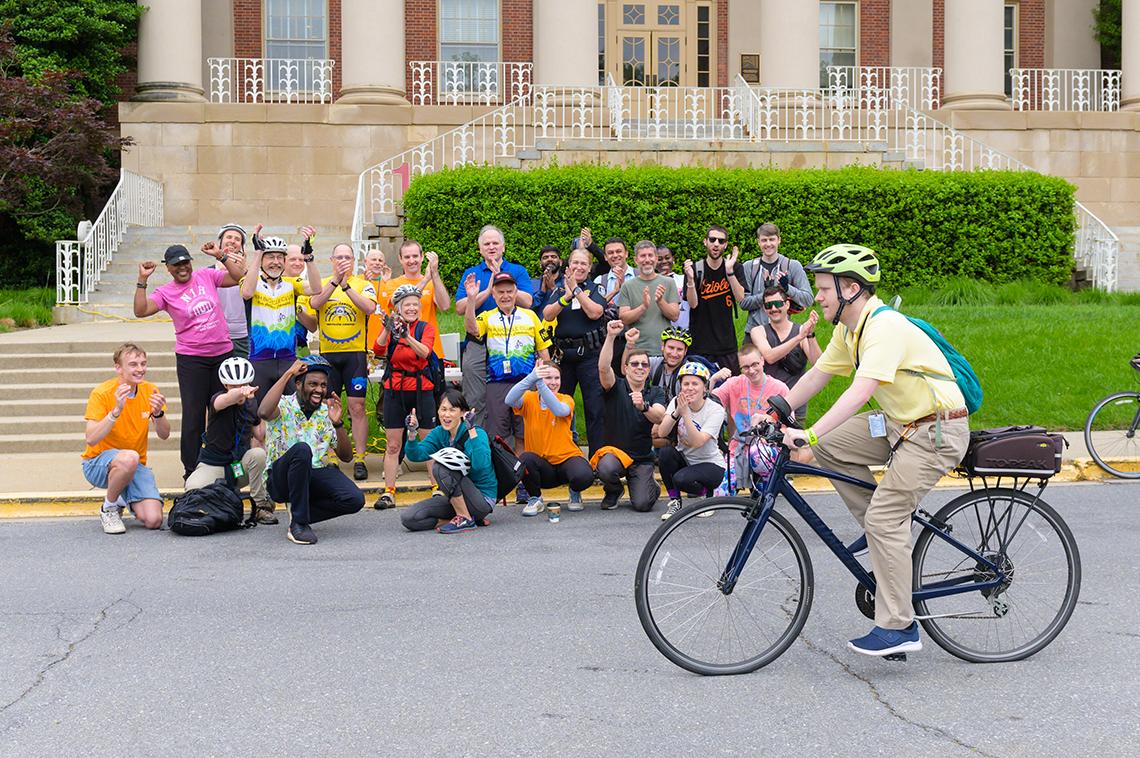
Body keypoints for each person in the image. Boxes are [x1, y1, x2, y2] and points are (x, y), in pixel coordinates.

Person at [779, 244, 970, 657]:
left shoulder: (884, 327)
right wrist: (776, 408)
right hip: (899, 424)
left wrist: (808, 434)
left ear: (850, 288)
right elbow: (819, 374)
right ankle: (881, 529)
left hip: (936, 430)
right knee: (835, 449)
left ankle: (900, 627)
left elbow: (861, 390)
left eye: (824, 288)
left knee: (885, 515)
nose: (818, 296)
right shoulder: (850, 329)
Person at [134, 243, 244, 479]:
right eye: (177, 264)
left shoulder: (206, 275)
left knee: (224, 410)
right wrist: (142, 280)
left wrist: (221, 255)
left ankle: (225, 466)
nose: (182, 267)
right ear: (169, 268)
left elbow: (238, 277)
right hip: (192, 359)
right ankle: (192, 469)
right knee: (194, 415)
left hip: (222, 353)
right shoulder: (165, 292)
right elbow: (140, 311)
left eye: (185, 262)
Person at [258, 355, 365, 545]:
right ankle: (298, 525)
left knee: (355, 499)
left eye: (323, 385)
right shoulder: (283, 405)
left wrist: (338, 424)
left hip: (310, 476)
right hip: (280, 479)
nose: (319, 390)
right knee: (302, 450)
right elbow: (264, 412)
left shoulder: (325, 412)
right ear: (298, 385)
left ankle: (301, 512)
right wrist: (288, 373)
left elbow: (346, 457)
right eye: (313, 384)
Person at [463, 271, 551, 498]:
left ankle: (524, 482)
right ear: (493, 293)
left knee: (523, 435)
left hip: (527, 384)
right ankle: (505, 479)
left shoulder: (531, 316)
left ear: (516, 293)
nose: (505, 296)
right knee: (499, 437)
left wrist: (547, 380)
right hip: (497, 384)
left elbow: (544, 352)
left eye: (509, 291)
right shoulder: (487, 317)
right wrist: (472, 299)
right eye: (500, 292)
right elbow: (472, 329)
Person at [306, 242, 378, 481]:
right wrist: (335, 282)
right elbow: (315, 304)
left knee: (356, 407)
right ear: (332, 260)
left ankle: (359, 457)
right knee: (327, 407)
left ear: (354, 261)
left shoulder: (363, 284)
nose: (343, 261)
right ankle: (331, 456)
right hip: (328, 355)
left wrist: (346, 286)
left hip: (355, 354)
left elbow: (369, 308)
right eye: (339, 257)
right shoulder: (322, 282)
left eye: (347, 257)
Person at [82, 343, 170, 534]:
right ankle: (109, 508)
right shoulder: (102, 393)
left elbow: (164, 435)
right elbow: (91, 439)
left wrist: (159, 414)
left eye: (143, 364)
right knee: (129, 457)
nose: (140, 369)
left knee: (154, 520)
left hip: (134, 464)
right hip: (98, 463)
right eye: (133, 364)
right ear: (118, 368)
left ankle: (121, 495)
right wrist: (116, 411)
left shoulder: (150, 390)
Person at [455, 224, 534, 426]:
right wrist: (488, 289)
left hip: (512, 341)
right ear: (480, 249)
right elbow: (460, 307)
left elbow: (528, 301)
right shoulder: (471, 273)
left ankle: (515, 448)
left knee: (515, 395)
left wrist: (502, 284)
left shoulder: (517, 270)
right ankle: (477, 441)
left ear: (503, 247)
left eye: (495, 243)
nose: (491, 247)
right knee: (475, 397)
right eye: (486, 244)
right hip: (479, 340)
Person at [183, 356, 276, 524]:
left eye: (243, 384)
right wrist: (239, 392)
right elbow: (226, 400)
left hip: (237, 467)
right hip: (213, 465)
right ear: (225, 385)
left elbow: (260, 435)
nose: (240, 389)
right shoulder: (217, 399)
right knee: (192, 490)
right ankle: (221, 500)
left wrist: (267, 408)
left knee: (258, 454)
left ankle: (261, 506)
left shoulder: (251, 403)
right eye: (234, 385)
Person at [373, 283, 438, 510]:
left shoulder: (425, 328)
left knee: (429, 441)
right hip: (395, 390)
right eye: (407, 305)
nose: (412, 308)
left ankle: (437, 488)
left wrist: (407, 336)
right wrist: (388, 329)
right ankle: (389, 491)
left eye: (415, 305)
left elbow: (425, 353)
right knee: (393, 445)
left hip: (422, 390)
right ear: (398, 308)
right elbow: (378, 350)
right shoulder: (393, 327)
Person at [241, 227, 322, 405]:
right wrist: (257, 253)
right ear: (262, 260)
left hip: (288, 360)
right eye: (270, 257)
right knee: (259, 415)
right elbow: (247, 292)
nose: (275, 262)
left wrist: (308, 257)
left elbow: (317, 289)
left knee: (293, 411)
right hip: (259, 360)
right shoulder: (251, 281)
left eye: (280, 257)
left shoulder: (291, 284)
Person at [541, 246, 608, 457]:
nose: (579, 267)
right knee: (560, 405)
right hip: (563, 357)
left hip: (589, 355)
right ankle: (563, 453)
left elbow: (596, 312)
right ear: (568, 267)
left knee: (594, 408)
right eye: (575, 263)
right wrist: (566, 296)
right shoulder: (560, 291)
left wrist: (577, 291)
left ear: (589, 268)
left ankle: (596, 458)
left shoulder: (596, 290)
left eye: (583, 264)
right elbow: (548, 314)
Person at [594, 320, 667, 512]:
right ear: (626, 368)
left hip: (642, 458)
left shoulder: (656, 392)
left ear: (649, 370)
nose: (640, 367)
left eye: (644, 364)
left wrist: (644, 407)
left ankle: (650, 486)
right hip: (616, 455)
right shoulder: (615, 386)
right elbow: (603, 367)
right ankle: (613, 490)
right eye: (634, 364)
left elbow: (659, 417)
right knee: (606, 467)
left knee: (643, 505)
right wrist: (610, 336)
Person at [401, 389, 496, 534]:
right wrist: (412, 433)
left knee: (440, 467)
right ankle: (467, 517)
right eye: (443, 409)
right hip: (456, 497)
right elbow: (417, 455)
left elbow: (481, 465)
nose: (446, 415)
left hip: (481, 499)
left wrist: (472, 431)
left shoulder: (476, 432)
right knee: (410, 518)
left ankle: (465, 518)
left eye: (452, 410)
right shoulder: (440, 433)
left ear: (462, 413)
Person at [506, 362, 595, 517]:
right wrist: (532, 378)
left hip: (566, 460)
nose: (553, 382)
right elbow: (509, 399)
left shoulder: (566, 399)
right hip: (543, 468)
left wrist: (541, 384)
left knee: (584, 476)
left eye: (557, 378)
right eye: (548, 377)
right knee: (525, 459)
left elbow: (559, 411)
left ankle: (574, 492)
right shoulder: (529, 398)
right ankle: (535, 499)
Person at [654, 362, 728, 520]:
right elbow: (662, 432)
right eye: (685, 383)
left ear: (705, 388)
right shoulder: (676, 402)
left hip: (711, 465)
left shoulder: (715, 410)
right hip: (686, 459)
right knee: (666, 453)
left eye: (695, 383)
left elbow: (698, 442)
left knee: (681, 479)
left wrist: (686, 415)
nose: (689, 387)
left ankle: (707, 496)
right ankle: (675, 501)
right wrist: (676, 413)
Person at [712, 344, 790, 493]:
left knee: (757, 453)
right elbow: (708, 403)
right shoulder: (734, 384)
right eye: (746, 367)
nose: (752, 370)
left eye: (755, 364)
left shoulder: (780, 388)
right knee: (721, 493)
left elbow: (788, 426)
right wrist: (713, 380)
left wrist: (768, 421)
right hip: (739, 447)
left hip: (767, 448)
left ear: (762, 360)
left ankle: (765, 485)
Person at [749, 285, 821, 420]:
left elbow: (818, 364)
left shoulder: (801, 331)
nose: (774, 309)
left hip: (795, 404)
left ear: (787, 305)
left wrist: (810, 335)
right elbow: (769, 356)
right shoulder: (758, 331)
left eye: (777, 304)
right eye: (768, 305)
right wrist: (799, 337)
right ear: (764, 309)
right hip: (766, 406)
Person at [684, 225, 747, 374]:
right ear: (705, 242)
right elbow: (692, 304)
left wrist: (730, 272)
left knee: (729, 390)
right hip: (699, 344)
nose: (716, 244)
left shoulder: (735, 268)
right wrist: (691, 281)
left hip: (726, 344)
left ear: (725, 245)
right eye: (712, 239)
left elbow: (740, 298)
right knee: (697, 389)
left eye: (721, 241)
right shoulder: (695, 268)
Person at [374, 239, 450, 358]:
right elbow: (396, 302)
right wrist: (425, 280)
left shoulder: (432, 282)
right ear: (400, 259)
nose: (411, 261)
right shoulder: (392, 284)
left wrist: (434, 274)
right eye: (407, 257)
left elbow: (445, 306)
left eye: (415, 256)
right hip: (402, 352)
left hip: (430, 349)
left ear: (422, 257)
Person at [739, 222, 813, 334]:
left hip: (783, 334)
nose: (768, 244)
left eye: (772, 239)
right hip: (754, 332)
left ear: (779, 240)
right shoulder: (748, 267)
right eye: (764, 240)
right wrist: (766, 294)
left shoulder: (792, 266)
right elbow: (744, 304)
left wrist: (787, 288)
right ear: (758, 242)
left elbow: (808, 300)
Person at [630, 326, 729, 408]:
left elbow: (701, 401)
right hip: (659, 413)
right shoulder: (656, 363)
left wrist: (714, 379)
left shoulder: (690, 370)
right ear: (663, 347)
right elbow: (627, 369)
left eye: (679, 349)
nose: (674, 353)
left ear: (685, 351)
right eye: (671, 348)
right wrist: (630, 343)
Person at [618, 240, 680, 356]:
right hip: (637, 352)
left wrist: (660, 301)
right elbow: (624, 318)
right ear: (636, 260)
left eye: (650, 255)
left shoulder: (669, 282)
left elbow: (675, 316)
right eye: (642, 256)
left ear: (656, 258)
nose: (647, 260)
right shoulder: (628, 285)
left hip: (664, 351)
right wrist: (643, 307)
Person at [214, 223, 252, 358]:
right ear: (220, 242)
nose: (232, 241)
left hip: (243, 336)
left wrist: (246, 271)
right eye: (228, 237)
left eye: (237, 239)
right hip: (216, 335)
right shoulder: (209, 272)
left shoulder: (249, 273)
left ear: (241, 246)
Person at [655, 245, 689, 329]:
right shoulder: (651, 283)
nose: (664, 261)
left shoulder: (684, 279)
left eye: (667, 258)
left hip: (684, 331)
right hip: (661, 331)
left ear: (673, 259)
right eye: (659, 259)